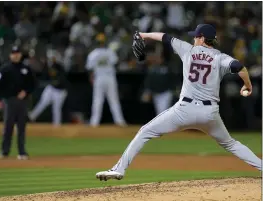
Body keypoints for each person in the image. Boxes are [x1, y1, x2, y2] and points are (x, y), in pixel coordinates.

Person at [96, 24, 262, 181]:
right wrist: (247, 86)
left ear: (202, 38)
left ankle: (119, 169)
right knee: (231, 144)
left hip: (184, 111)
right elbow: (239, 67)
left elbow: (164, 37)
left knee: (145, 131)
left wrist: (143, 35)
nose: (194, 39)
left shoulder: (187, 49)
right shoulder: (220, 57)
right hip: (209, 113)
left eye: (196, 36)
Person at [0, 46, 36, 160]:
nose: (16, 55)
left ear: (21, 55)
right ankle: (4, 151)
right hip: (9, 100)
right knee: (8, 126)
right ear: (10, 55)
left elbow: (32, 84)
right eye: (14, 53)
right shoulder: (4, 69)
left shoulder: (26, 69)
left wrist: (26, 92)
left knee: (21, 127)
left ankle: (22, 152)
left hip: (22, 102)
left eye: (17, 53)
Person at [86, 33, 126, 127]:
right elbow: (115, 62)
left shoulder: (93, 54)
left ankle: (94, 122)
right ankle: (120, 122)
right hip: (109, 78)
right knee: (113, 100)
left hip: (99, 78)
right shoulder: (110, 52)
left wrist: (91, 78)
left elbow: (89, 68)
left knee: (98, 100)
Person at [28, 50, 68, 126]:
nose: (51, 59)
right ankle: (31, 117)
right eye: (50, 58)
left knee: (56, 109)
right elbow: (44, 75)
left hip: (60, 91)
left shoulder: (60, 67)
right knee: (42, 103)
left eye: (53, 58)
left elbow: (60, 80)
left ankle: (57, 126)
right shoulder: (47, 66)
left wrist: (52, 81)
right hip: (51, 88)